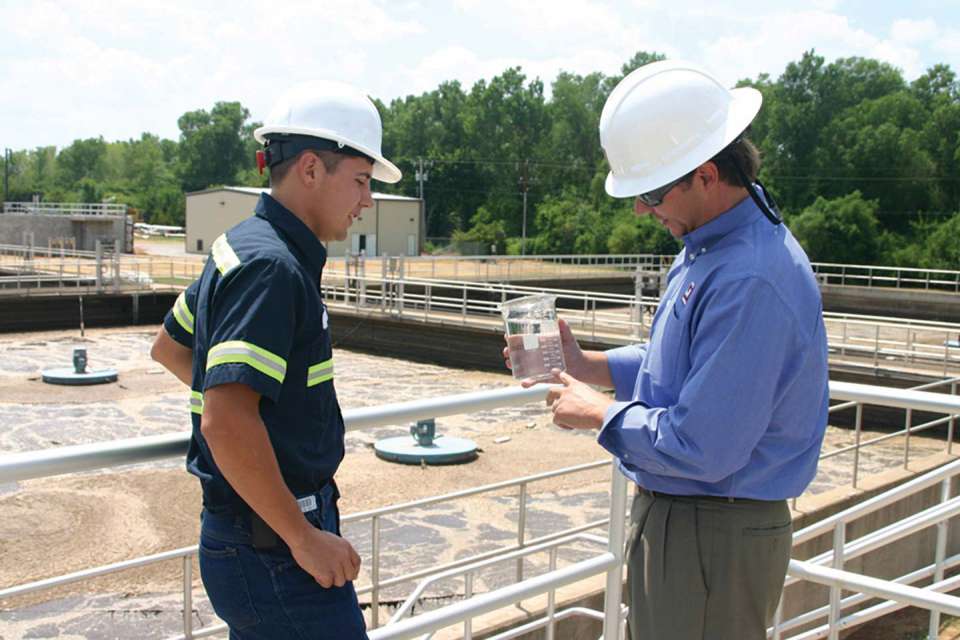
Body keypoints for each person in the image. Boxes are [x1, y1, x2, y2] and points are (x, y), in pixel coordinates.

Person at [508, 60, 829, 639]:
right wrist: (589, 366)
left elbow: (705, 448)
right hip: (693, 524)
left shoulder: (750, 277)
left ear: (706, 175)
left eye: (651, 192)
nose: (640, 209)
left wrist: (600, 414)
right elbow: (681, 362)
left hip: (714, 531)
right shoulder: (710, 243)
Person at [150, 81, 401, 639]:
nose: (366, 201)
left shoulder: (244, 243)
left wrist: (265, 418)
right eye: (360, 180)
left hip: (256, 537)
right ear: (311, 169)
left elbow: (172, 346)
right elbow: (226, 419)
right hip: (274, 547)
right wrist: (303, 537)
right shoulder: (273, 268)